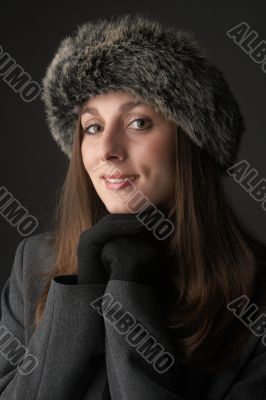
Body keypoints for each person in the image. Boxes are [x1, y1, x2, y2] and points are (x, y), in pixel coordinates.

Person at [0, 12, 266, 400]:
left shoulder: (256, 292)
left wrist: (129, 293)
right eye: (92, 127)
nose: (107, 150)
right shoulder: (34, 264)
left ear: (190, 142)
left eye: (138, 122)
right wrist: (80, 294)